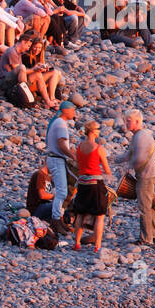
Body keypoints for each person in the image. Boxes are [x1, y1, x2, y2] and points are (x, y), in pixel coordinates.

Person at [114, 108, 155, 248]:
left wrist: (129, 166)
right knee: (149, 206)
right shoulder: (140, 135)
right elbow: (129, 155)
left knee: (144, 207)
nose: (126, 124)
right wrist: (114, 160)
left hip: (146, 175)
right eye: (125, 121)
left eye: (128, 121)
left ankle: (146, 239)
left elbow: (138, 158)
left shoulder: (141, 136)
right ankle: (154, 235)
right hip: (148, 173)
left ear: (137, 121)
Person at [71, 119, 111, 252]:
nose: (99, 131)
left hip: (82, 183)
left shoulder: (79, 147)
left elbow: (77, 165)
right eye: (98, 129)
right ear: (92, 131)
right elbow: (107, 169)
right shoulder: (99, 148)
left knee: (81, 214)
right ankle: (97, 246)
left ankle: (76, 243)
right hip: (95, 184)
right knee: (100, 215)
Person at [46, 100, 76, 235]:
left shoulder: (57, 122)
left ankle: (59, 219)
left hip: (55, 159)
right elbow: (62, 145)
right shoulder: (61, 124)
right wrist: (73, 157)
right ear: (65, 110)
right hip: (56, 159)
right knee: (62, 192)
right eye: (73, 110)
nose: (74, 113)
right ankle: (55, 220)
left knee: (62, 191)